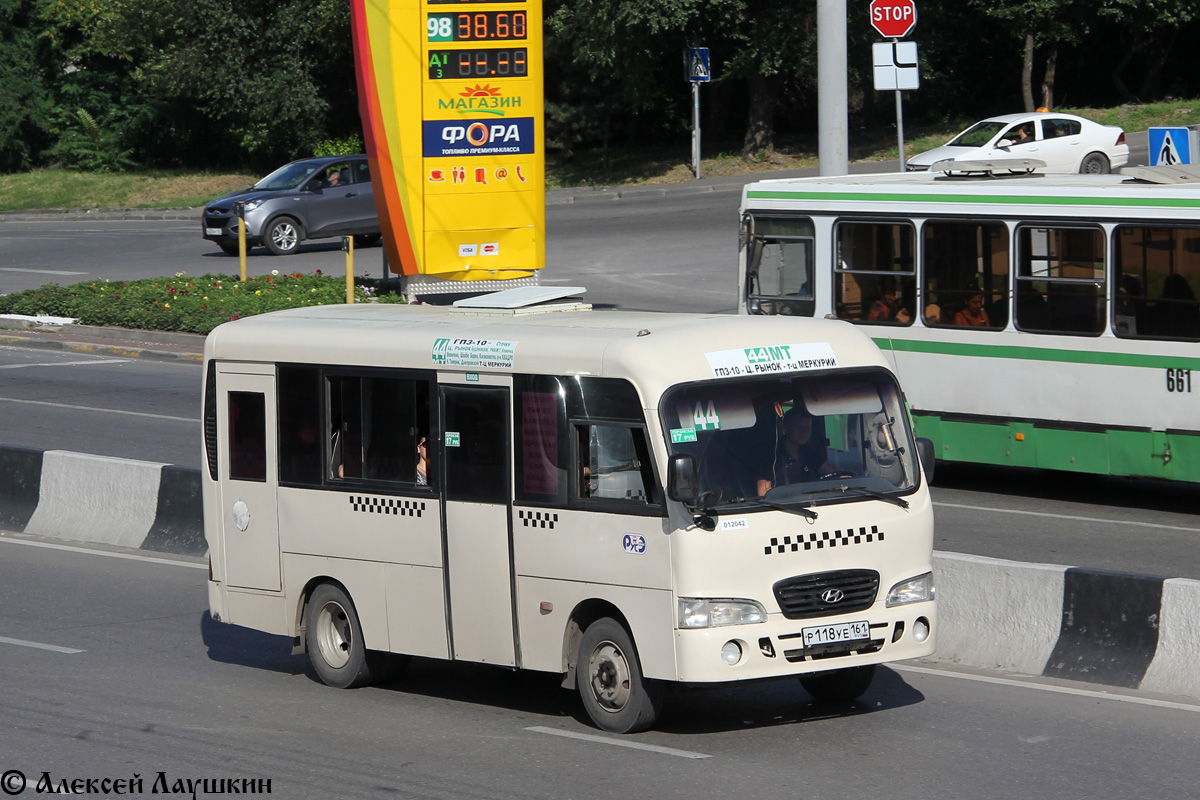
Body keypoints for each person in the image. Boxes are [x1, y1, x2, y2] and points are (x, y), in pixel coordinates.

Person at [757, 406, 835, 496]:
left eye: (807, 427)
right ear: (786, 428)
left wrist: (845, 479)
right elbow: (763, 492)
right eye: (799, 427)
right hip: (784, 506)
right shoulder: (771, 456)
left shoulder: (808, 451)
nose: (804, 432)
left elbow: (832, 472)